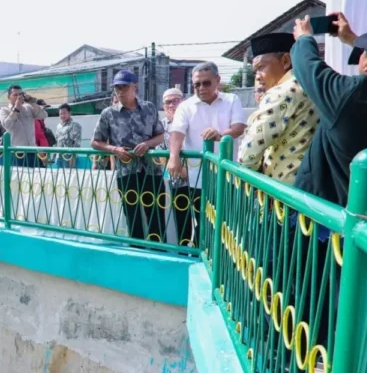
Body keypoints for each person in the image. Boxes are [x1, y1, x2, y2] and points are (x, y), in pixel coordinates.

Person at [291, 12, 367, 206]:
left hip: (325, 211)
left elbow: (308, 67)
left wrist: (304, 38)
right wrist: (351, 38)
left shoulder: (352, 95)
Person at [167, 62, 247, 246]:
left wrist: (220, 135)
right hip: (197, 177)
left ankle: (219, 259)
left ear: (217, 80)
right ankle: (199, 256)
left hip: (226, 177)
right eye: (197, 84)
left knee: (224, 225)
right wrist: (173, 157)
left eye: (206, 83)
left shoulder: (231, 99)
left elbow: (239, 127)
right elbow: (177, 133)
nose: (201, 88)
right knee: (201, 222)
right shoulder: (186, 106)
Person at [91, 70, 166, 242]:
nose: (120, 91)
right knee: (132, 215)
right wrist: (114, 149)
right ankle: (137, 249)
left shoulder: (149, 108)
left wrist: (147, 144)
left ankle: (159, 250)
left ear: (135, 87)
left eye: (124, 87)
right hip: (126, 171)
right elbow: (95, 142)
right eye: (117, 88)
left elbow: (161, 135)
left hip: (152, 169)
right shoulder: (108, 113)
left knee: (156, 213)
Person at [237, 33, 318, 185]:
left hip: (282, 190)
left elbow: (247, 156)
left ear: (285, 61)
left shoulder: (280, 92)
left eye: (261, 67)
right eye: (255, 71)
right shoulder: (312, 83)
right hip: (310, 185)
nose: (258, 77)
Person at [0, 85, 48, 167]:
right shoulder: (4, 110)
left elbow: (43, 115)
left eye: (21, 94)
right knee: (17, 175)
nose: (19, 97)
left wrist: (32, 102)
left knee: (34, 174)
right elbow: (7, 125)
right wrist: (16, 108)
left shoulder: (28, 107)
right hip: (16, 152)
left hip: (32, 150)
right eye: (15, 95)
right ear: (9, 97)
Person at [54, 103, 82, 168]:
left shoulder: (75, 125)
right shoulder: (59, 126)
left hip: (69, 156)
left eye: (64, 113)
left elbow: (77, 143)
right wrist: (54, 156)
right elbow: (56, 142)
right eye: (60, 114)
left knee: (69, 174)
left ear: (69, 113)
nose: (62, 115)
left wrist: (73, 158)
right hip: (59, 156)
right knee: (59, 174)